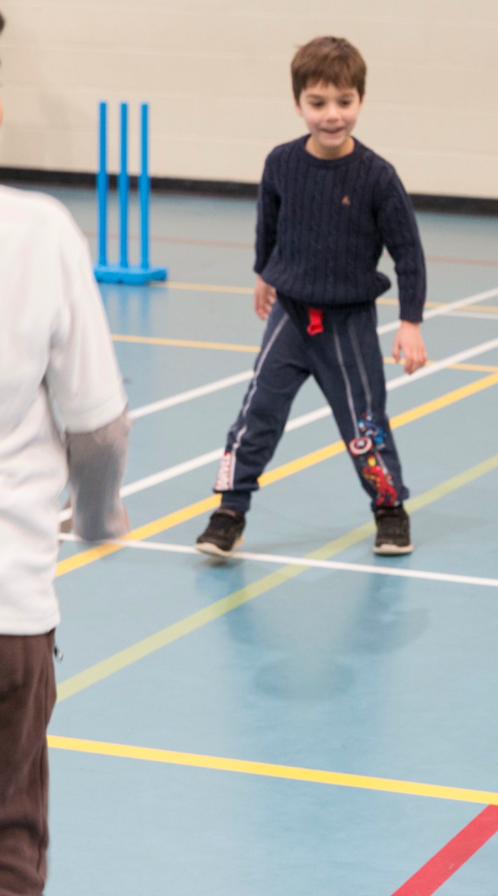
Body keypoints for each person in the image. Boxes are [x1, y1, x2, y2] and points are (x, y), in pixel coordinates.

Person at [194, 35, 429, 559]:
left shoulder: (377, 177)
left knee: (364, 427)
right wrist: (264, 272)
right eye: (318, 103)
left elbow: (408, 253)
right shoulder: (281, 163)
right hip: (291, 317)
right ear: (298, 103)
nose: (332, 116)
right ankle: (229, 510)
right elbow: (269, 224)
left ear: (360, 102)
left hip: (347, 326)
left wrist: (409, 322)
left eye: (344, 102)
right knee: (256, 415)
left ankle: (390, 509)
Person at [1, 10, 133, 889]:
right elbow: (97, 426)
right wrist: (95, 516)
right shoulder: (39, 231)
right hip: (8, 607)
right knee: (12, 832)